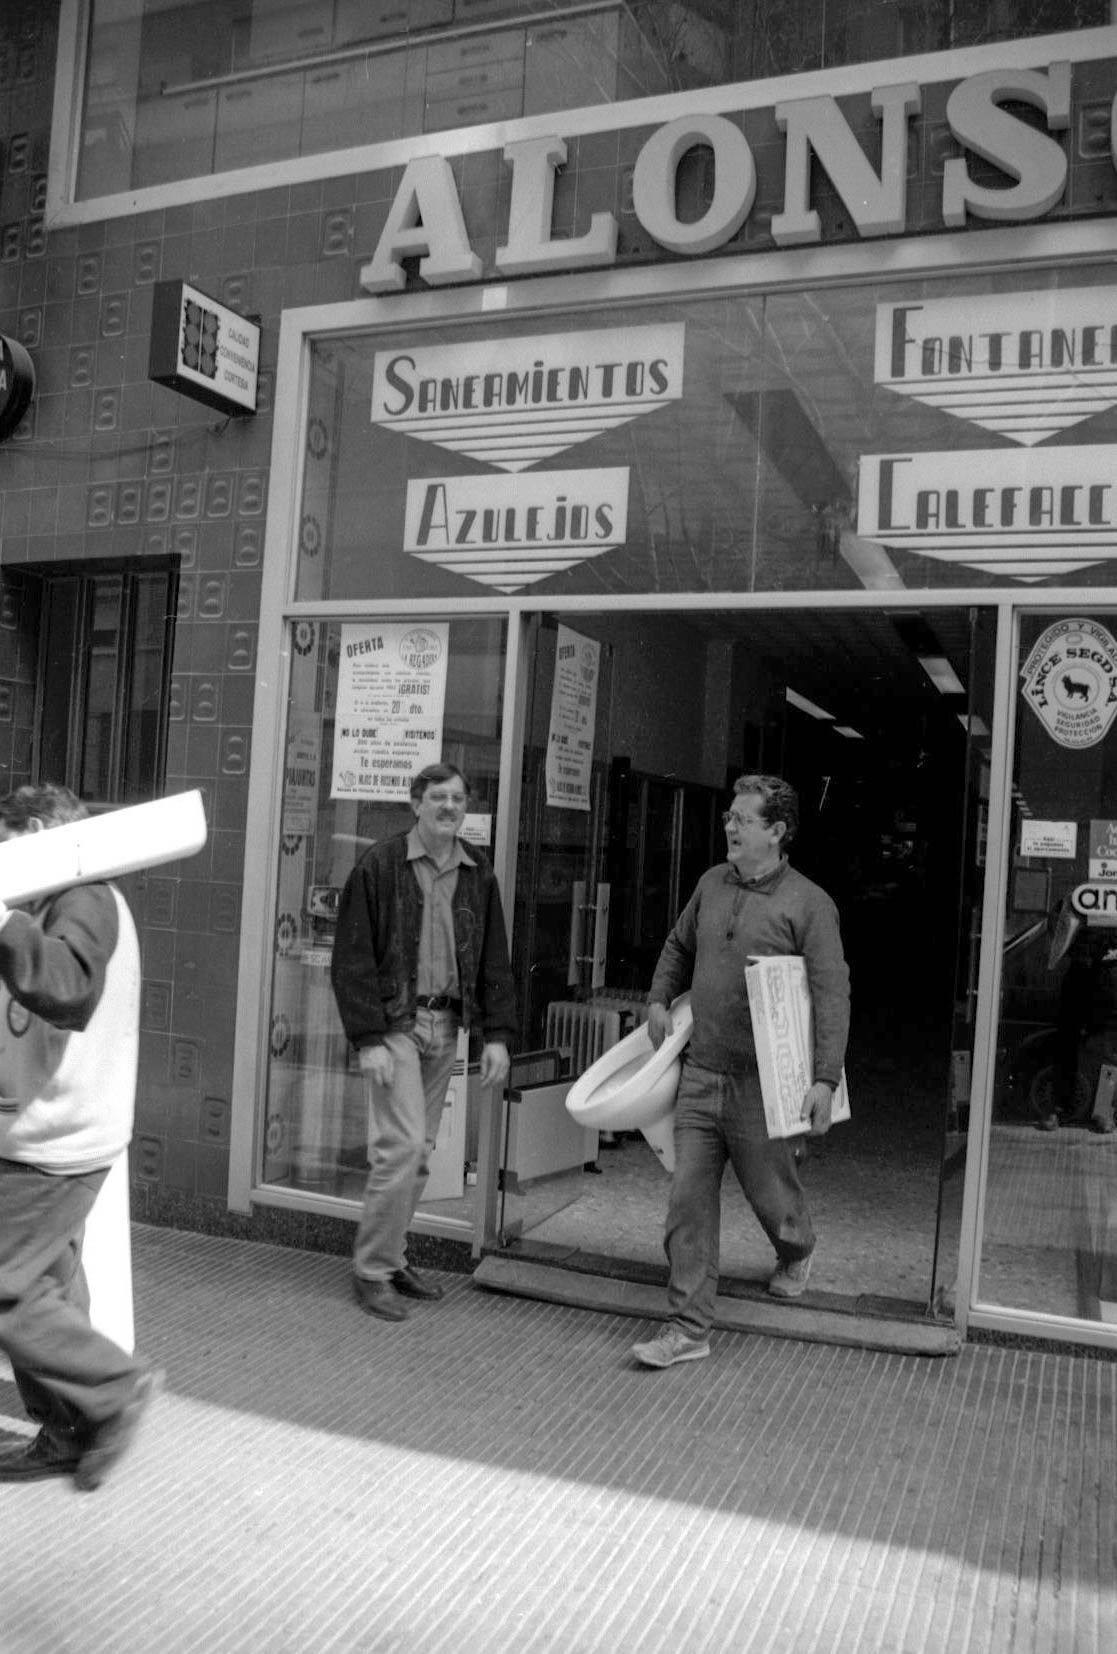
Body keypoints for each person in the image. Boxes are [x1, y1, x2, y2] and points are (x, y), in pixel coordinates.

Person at [631, 773, 850, 1370]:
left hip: (764, 1084)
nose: (729, 825)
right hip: (702, 1072)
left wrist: (825, 1079)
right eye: (729, 816)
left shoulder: (809, 903)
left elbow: (833, 994)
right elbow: (679, 946)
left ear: (776, 832)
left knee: (771, 1196)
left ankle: (796, 1248)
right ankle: (688, 1327)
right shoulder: (709, 884)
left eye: (743, 819)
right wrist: (658, 996)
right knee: (687, 1202)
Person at [0, 784, 161, 1487]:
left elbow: (63, 987)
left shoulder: (84, 897)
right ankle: (69, 1428)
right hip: (52, 1130)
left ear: (35, 831)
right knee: (51, 1285)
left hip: (52, 1140)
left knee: (7, 1290)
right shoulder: (71, 899)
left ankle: (115, 1390)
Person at [331, 763, 515, 1322]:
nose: (450, 807)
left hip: (447, 1025)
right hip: (398, 1027)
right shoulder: (380, 866)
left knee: (419, 1153)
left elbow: (493, 961)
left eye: (458, 799)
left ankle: (392, 1255)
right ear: (415, 804)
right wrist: (369, 1039)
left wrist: (497, 1036)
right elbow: (352, 960)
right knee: (402, 1148)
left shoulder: (478, 872)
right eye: (438, 797)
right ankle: (372, 1269)